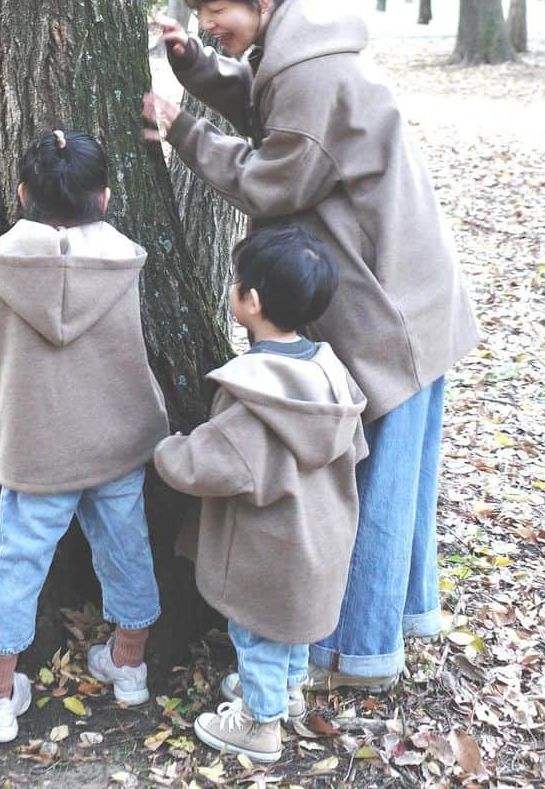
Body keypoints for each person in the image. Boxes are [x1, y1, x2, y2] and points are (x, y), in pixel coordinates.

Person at [143, 0, 479, 693]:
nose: (207, 24)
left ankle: (357, 651)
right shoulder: (298, 42)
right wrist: (196, 67)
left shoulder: (311, 68)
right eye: (197, 14)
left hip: (386, 297)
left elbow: (279, 177)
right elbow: (272, 111)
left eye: (213, 11)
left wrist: (183, 130)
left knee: (377, 475)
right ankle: (398, 616)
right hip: (407, 285)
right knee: (401, 468)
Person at [0, 130, 167, 743]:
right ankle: (129, 666)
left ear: (24, 193)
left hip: (35, 446)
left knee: (19, 565)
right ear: (104, 198)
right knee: (127, 550)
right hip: (116, 438)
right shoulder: (124, 261)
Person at [155, 225, 367, 763]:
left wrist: (163, 450)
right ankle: (287, 697)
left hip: (268, 552)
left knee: (258, 635)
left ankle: (258, 722)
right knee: (289, 634)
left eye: (236, 281)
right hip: (321, 540)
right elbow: (354, 448)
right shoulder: (331, 371)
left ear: (250, 301)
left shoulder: (253, 391)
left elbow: (210, 465)